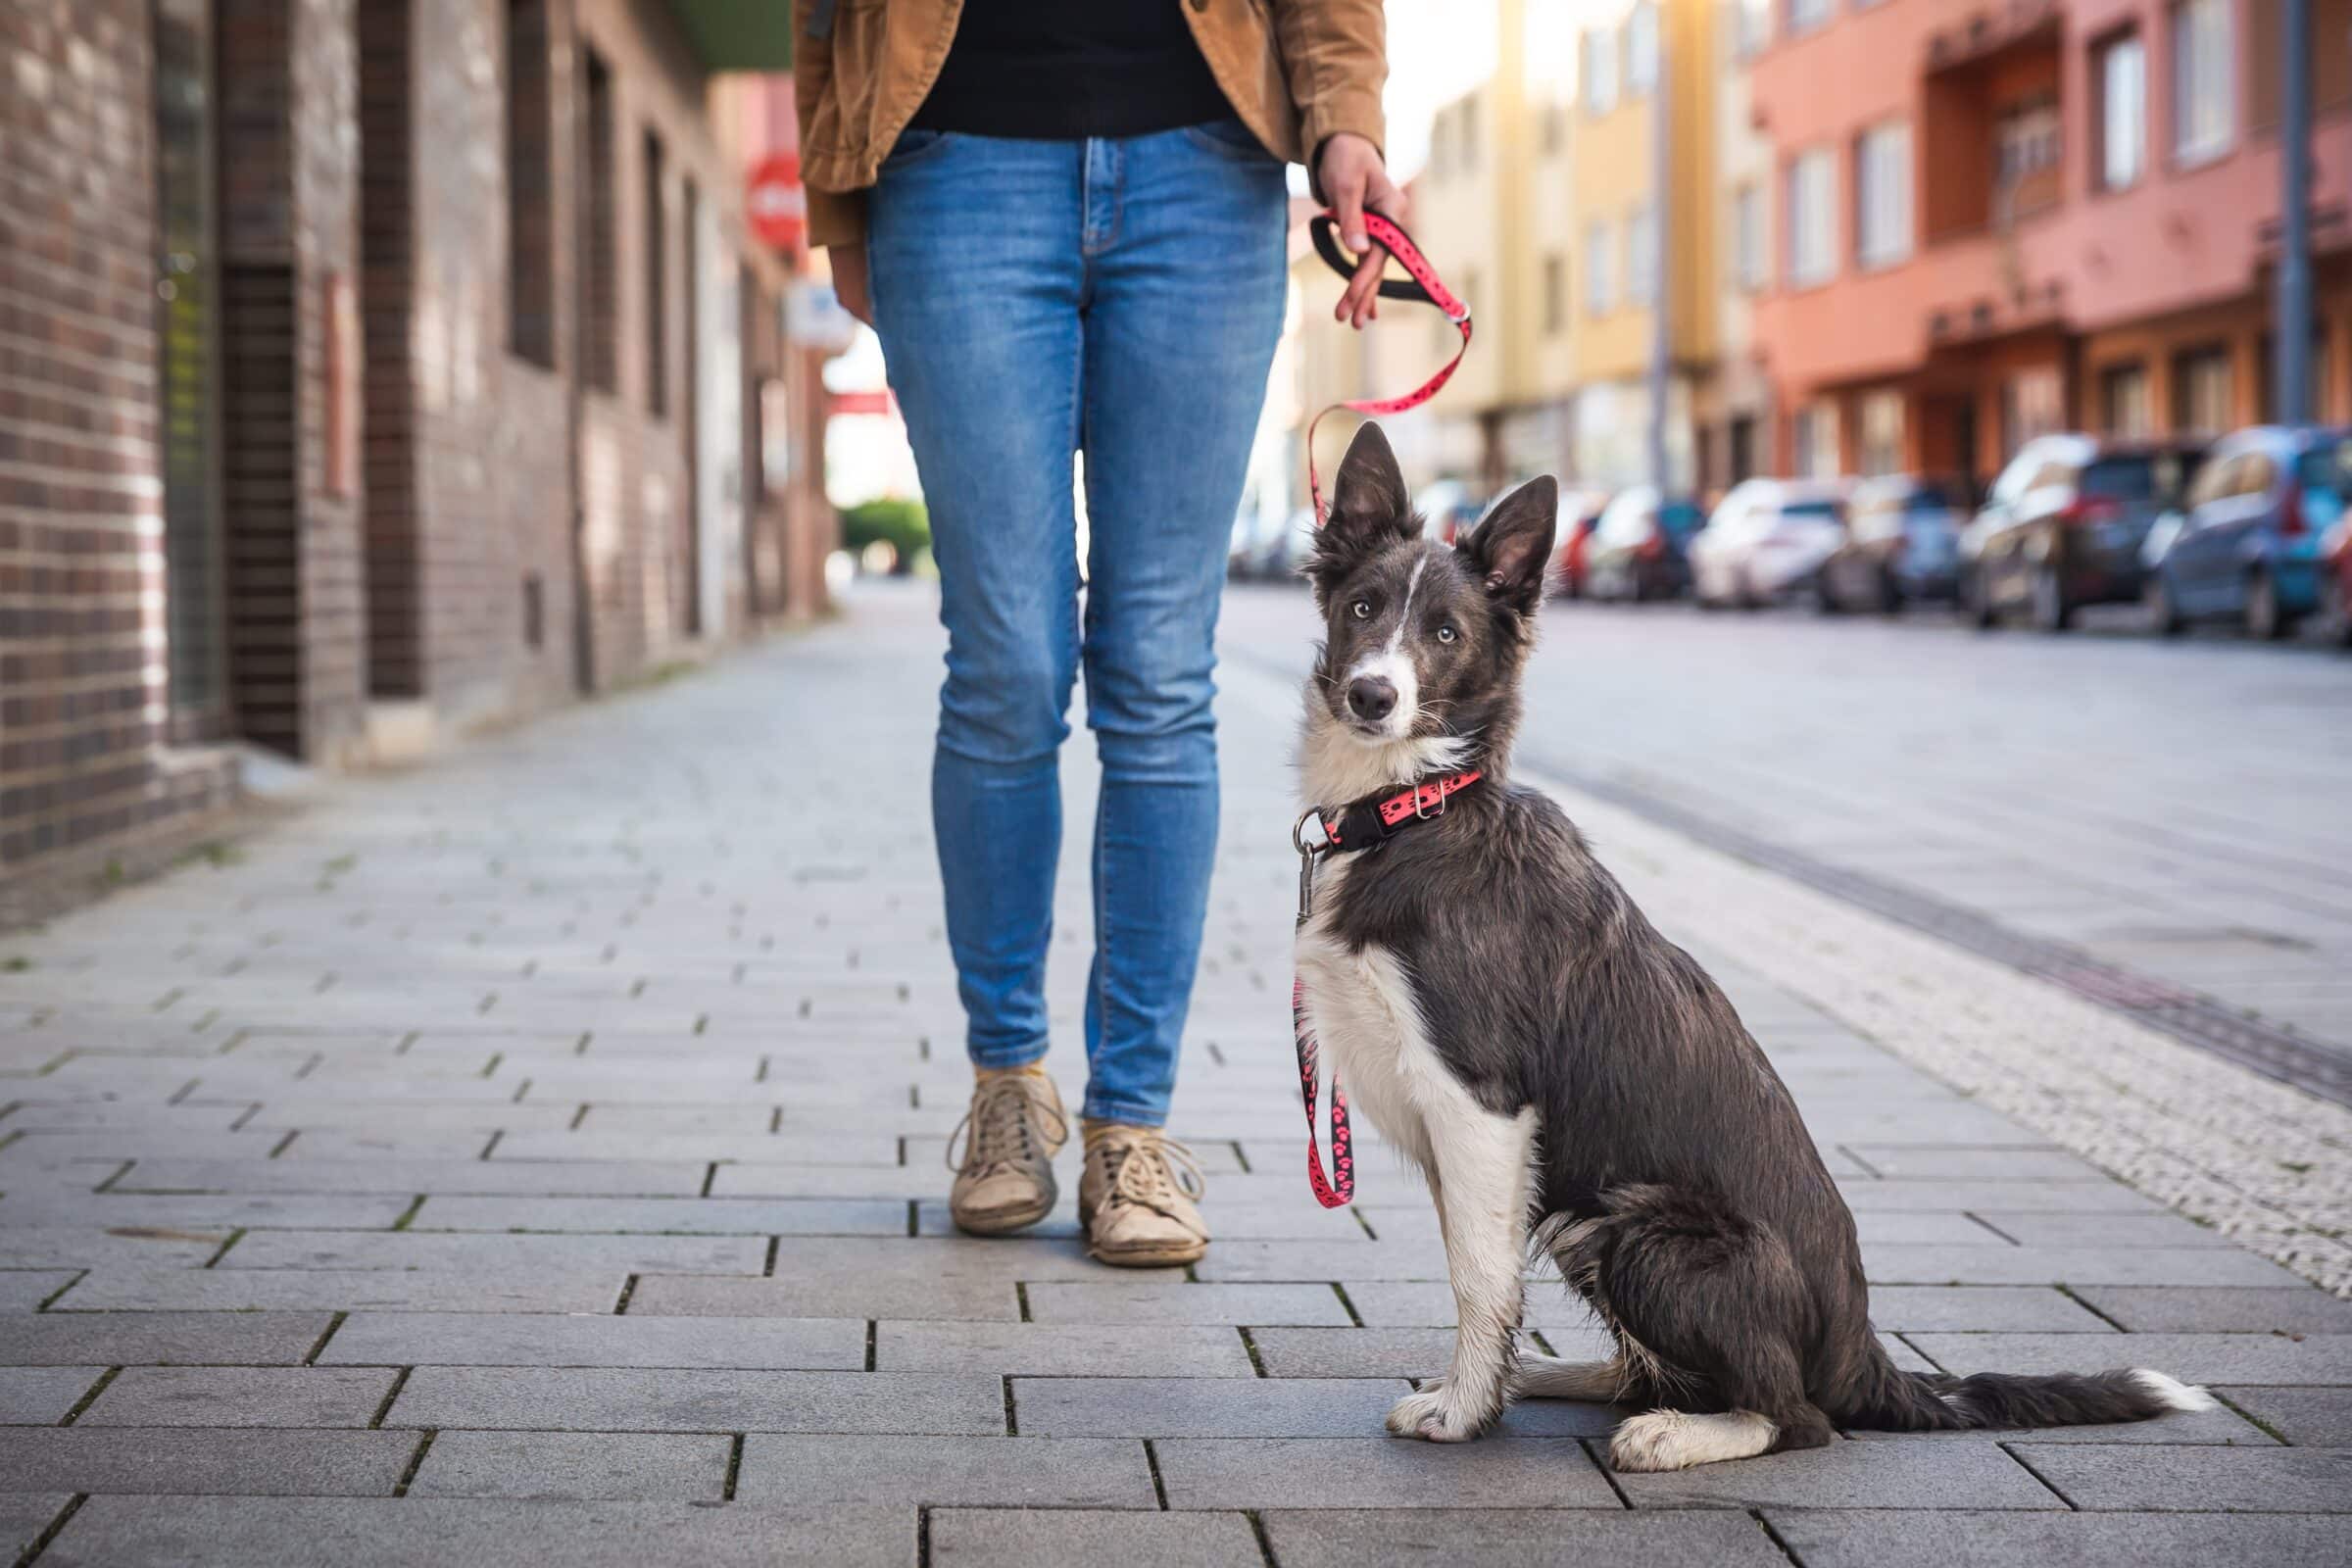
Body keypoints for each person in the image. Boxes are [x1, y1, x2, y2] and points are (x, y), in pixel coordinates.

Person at [795, 0, 1400, 1266]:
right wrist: (839, 196)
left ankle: (1133, 1121)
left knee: (1162, 671)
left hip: (1206, 164)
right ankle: (1008, 1084)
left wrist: (1345, 121)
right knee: (1009, 664)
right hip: (954, 160)